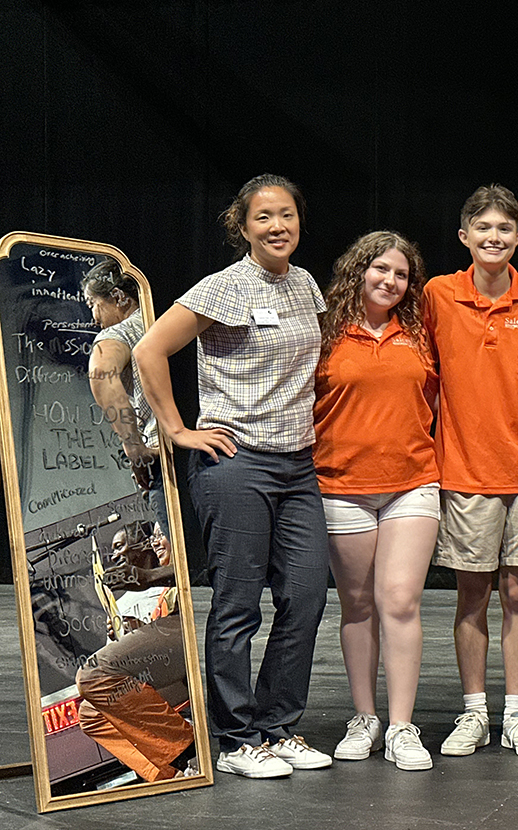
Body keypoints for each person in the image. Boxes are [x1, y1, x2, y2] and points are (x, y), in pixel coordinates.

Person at [136, 174, 331, 778]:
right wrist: (177, 429)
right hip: (237, 463)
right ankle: (236, 736)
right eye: (265, 217)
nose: (278, 227)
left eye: (287, 216)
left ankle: (277, 726)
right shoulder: (224, 287)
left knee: (304, 597)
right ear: (243, 226)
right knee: (238, 605)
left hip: (298, 467)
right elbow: (148, 351)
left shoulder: (305, 286)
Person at [424, 184, 518, 759]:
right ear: (464, 237)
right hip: (464, 472)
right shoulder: (437, 294)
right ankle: (474, 711)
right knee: (471, 598)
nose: (494, 238)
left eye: (504, 230)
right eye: (483, 229)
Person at [313, 231, 440, 771]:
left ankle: (403, 726)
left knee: (401, 600)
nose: (390, 280)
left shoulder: (420, 332)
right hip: (341, 486)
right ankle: (364, 718)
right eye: (381, 269)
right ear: (358, 270)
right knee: (359, 604)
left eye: (402, 274)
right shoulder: (324, 330)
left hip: (412, 481)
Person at [77, 521, 194, 782]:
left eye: (160, 535)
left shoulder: (174, 578)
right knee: (88, 714)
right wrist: (125, 636)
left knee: (91, 675)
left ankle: (185, 748)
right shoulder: (123, 599)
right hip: (148, 673)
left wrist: (145, 626)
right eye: (153, 536)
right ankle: (163, 774)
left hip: (181, 663)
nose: (115, 556)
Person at [83, 260, 166, 533]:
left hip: (163, 457)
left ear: (118, 297)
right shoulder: (169, 320)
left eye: (92, 304)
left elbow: (102, 374)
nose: (94, 318)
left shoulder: (121, 331)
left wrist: (135, 449)